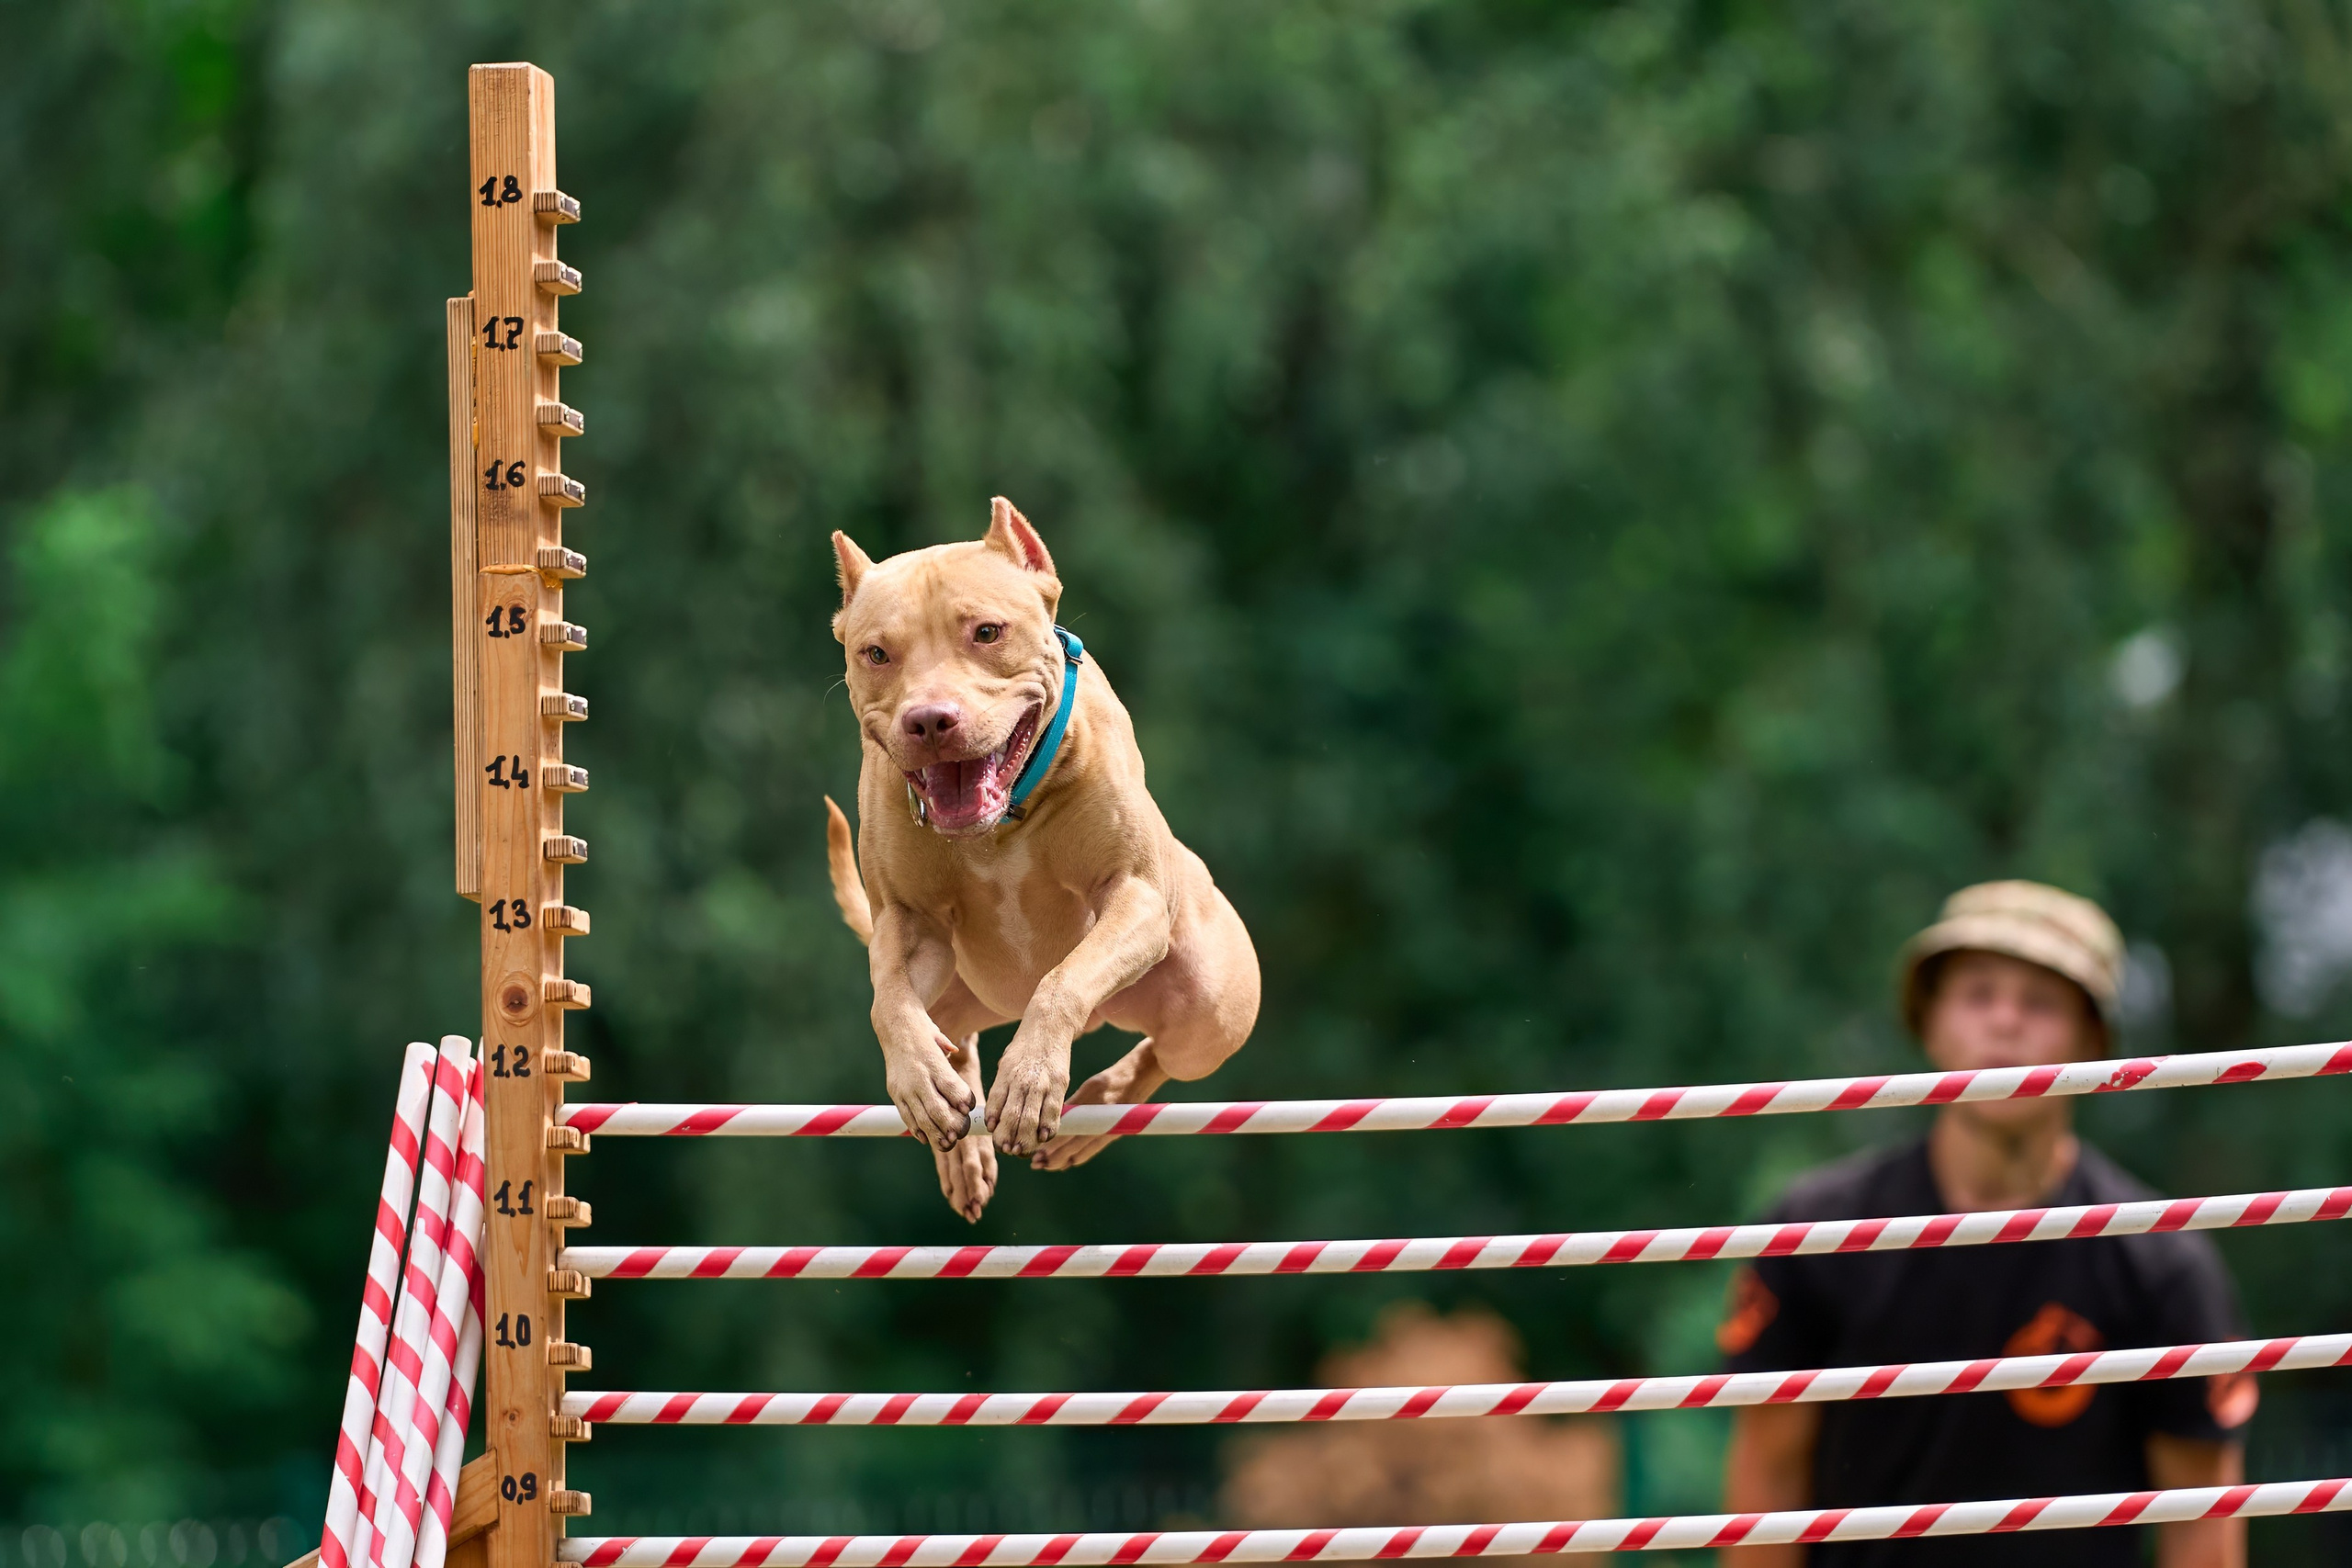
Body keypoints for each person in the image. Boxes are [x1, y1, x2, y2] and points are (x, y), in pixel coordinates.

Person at [1717, 881, 2256, 1567]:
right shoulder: (1816, 1234)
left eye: (2041, 1001)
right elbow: (1767, 1482)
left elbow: (2201, 1521)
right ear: (1929, 1020)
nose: (2005, 1022)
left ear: (2094, 1039)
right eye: (1977, 993)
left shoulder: (2161, 1264)